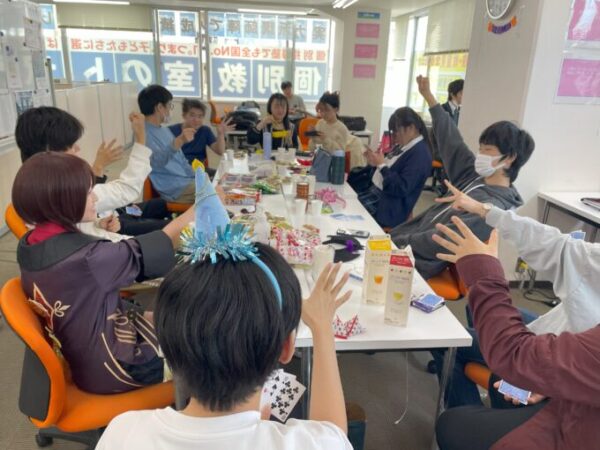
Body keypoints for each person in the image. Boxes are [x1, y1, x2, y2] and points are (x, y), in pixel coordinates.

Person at [96, 244, 354, 449]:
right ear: (287, 348)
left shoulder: (123, 432)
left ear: (165, 346)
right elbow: (332, 433)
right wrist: (322, 327)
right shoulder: (311, 444)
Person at [11, 150, 222, 394]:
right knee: (211, 337)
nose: (95, 198)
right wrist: (198, 208)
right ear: (63, 203)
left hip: (86, 353)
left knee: (177, 317)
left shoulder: (31, 243)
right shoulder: (89, 260)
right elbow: (155, 247)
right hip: (117, 367)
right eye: (88, 192)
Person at [432, 216, 600, 450]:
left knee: (453, 422)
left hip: (572, 420)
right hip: (574, 380)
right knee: (480, 321)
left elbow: (514, 353)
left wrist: (483, 270)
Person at [389, 76, 535, 280]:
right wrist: (429, 97)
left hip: (416, 261)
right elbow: (452, 142)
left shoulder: (493, 209)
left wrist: (394, 243)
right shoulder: (474, 177)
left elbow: (439, 241)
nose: (480, 155)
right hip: (402, 243)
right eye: (480, 149)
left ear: (509, 158)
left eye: (488, 150)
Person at [15, 106, 168, 238]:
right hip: (117, 226)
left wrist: (98, 224)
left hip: (111, 218)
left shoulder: (35, 188)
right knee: (168, 227)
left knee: (157, 206)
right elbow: (126, 189)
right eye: (72, 145)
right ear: (51, 152)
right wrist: (141, 138)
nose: (78, 149)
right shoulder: (66, 194)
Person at [358, 107, 433, 228]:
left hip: (387, 207)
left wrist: (382, 166)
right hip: (378, 195)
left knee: (350, 211)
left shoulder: (420, 154)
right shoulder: (405, 145)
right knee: (346, 203)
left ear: (411, 128)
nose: (394, 136)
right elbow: (388, 171)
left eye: (396, 131)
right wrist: (375, 163)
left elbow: (401, 188)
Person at [139, 84, 196, 203]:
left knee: (220, 185)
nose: (170, 110)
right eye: (169, 105)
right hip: (175, 190)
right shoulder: (143, 134)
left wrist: (196, 175)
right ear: (160, 107)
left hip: (186, 182)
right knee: (220, 194)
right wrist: (178, 141)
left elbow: (181, 159)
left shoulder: (165, 130)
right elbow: (155, 163)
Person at [169, 98, 234, 167]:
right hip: (178, 169)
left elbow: (220, 151)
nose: (196, 120)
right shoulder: (170, 131)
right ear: (184, 115)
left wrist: (220, 134)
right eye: (192, 115)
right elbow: (165, 155)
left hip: (199, 169)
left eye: (200, 116)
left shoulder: (205, 130)